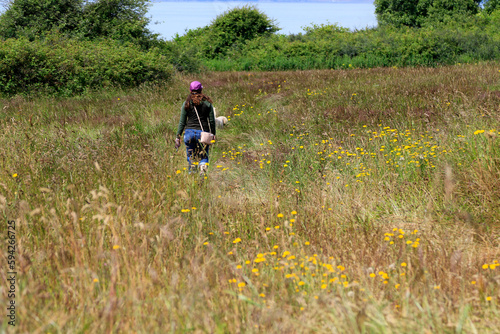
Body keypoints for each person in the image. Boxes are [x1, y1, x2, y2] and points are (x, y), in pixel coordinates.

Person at [175, 81, 216, 174]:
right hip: (203, 133)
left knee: (191, 156)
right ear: (201, 90)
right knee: (204, 156)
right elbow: (212, 121)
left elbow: (182, 122)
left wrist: (178, 136)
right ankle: (202, 171)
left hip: (189, 133)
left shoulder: (186, 103)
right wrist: (213, 134)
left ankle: (193, 173)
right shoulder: (207, 104)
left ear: (190, 90)